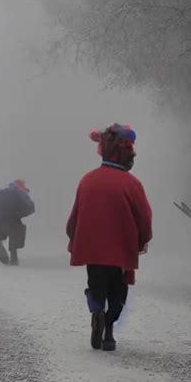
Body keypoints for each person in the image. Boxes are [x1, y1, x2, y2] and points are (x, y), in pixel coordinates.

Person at [66, 124, 153, 351]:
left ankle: (96, 311)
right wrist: (143, 239)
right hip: (121, 249)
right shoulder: (132, 184)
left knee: (96, 285)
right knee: (118, 290)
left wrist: (72, 236)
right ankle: (109, 332)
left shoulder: (87, 180)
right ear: (125, 153)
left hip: (91, 247)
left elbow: (75, 214)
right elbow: (144, 217)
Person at [0, 179, 35, 266]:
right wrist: (19, 214)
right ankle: (13, 257)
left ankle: (0, 247)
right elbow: (30, 207)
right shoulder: (19, 193)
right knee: (16, 233)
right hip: (12, 220)